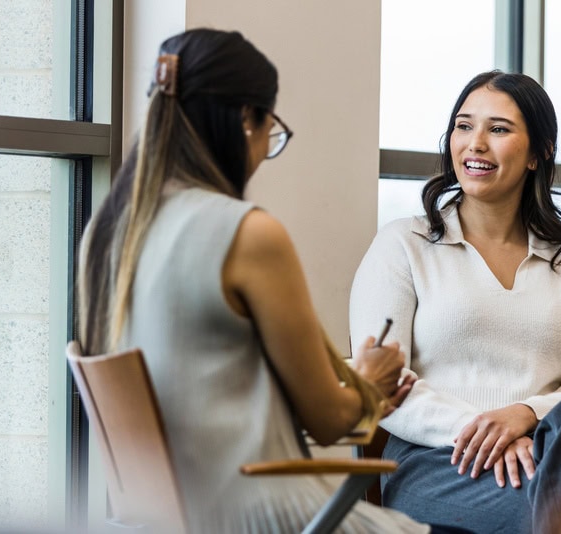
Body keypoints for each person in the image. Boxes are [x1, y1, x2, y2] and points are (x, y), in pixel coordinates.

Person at [76, 28, 434, 533]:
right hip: (262, 515)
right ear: (246, 119)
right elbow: (330, 422)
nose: (267, 147)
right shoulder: (248, 234)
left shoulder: (109, 231)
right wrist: (373, 382)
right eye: (272, 128)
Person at [349, 71, 561, 533]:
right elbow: (386, 383)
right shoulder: (403, 246)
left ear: (539, 153)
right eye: (463, 125)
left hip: (551, 455)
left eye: (498, 129)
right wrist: (490, 433)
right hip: (441, 464)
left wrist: (525, 415)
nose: (475, 144)